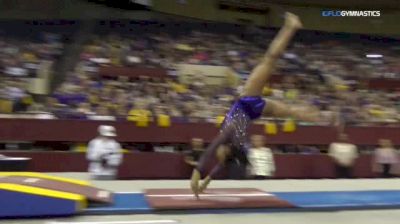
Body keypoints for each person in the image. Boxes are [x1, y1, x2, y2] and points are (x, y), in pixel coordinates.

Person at [190, 13, 321, 198]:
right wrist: (197, 173)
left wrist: (204, 182)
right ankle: (291, 27)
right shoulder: (228, 135)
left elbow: (218, 162)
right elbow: (212, 150)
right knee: (269, 59)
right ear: (226, 151)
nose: (218, 158)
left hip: (255, 111)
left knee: (290, 111)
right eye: (222, 156)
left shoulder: (232, 143)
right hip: (248, 101)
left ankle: (311, 116)